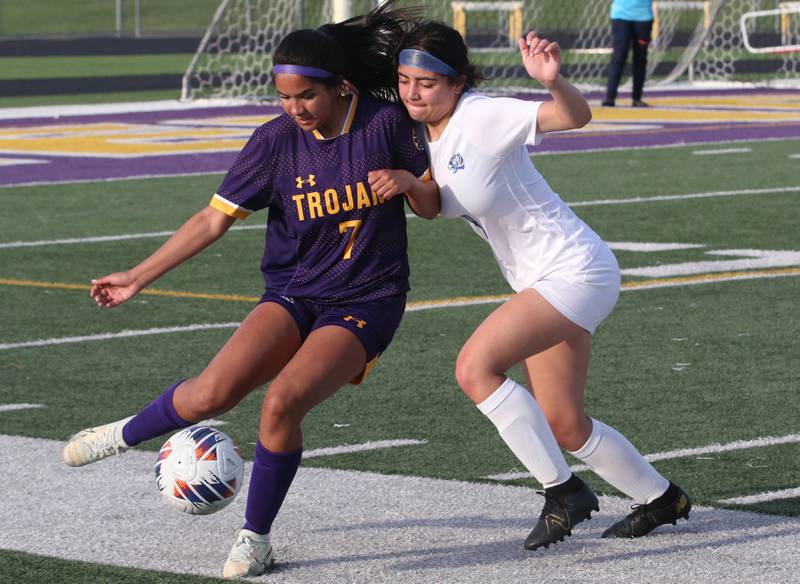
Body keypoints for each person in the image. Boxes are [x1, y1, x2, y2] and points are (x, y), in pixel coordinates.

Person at [62, 2, 438, 578]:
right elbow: (213, 220)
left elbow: (432, 206)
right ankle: (120, 435)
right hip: (293, 292)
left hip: (368, 298)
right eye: (283, 98)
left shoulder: (386, 124)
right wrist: (138, 275)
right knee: (211, 393)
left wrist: (412, 181)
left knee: (282, 402)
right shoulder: (275, 141)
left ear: (339, 88)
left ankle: (255, 540)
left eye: (305, 97)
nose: (294, 109)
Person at [394, 21, 690, 551]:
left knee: (474, 367)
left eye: (427, 83)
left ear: (457, 82)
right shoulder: (424, 133)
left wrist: (552, 81)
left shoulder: (481, 115)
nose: (413, 92)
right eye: (404, 80)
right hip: (544, 280)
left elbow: (575, 116)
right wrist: (410, 184)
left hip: (574, 271)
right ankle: (662, 498)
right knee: (564, 422)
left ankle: (563, 492)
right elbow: (436, 205)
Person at [602, 0, 654, 107]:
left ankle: (637, 98)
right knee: (619, 56)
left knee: (640, 57)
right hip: (621, 15)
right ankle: (610, 97)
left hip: (644, 16)